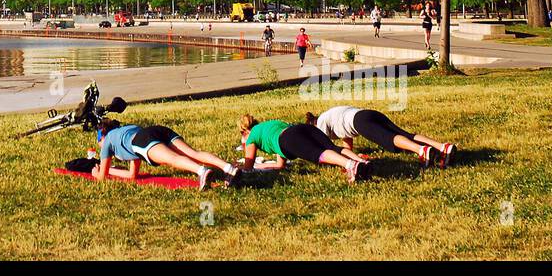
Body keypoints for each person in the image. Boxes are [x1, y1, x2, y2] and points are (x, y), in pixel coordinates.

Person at [94, 120, 241, 190]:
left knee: (172, 159)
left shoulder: (107, 142)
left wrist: (96, 172)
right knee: (193, 153)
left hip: (142, 140)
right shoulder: (124, 131)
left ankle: (201, 172)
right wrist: (113, 170)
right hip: (155, 130)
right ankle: (228, 168)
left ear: (102, 136)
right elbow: (133, 175)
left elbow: (102, 177)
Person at [307, 106, 456, 168]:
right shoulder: (332, 114)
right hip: (368, 113)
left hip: (360, 121)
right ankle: (443, 147)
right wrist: (353, 155)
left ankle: (421, 150)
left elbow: (327, 149)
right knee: (406, 134)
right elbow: (347, 143)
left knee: (390, 139)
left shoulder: (320, 123)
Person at [237, 114, 370, 183]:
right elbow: (280, 165)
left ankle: (350, 165)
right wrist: (262, 166)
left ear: (244, 132)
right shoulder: (268, 125)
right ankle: (361, 162)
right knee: (332, 147)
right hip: (300, 128)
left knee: (318, 154)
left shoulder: (251, 137)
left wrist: (240, 167)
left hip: (288, 138)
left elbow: (248, 169)